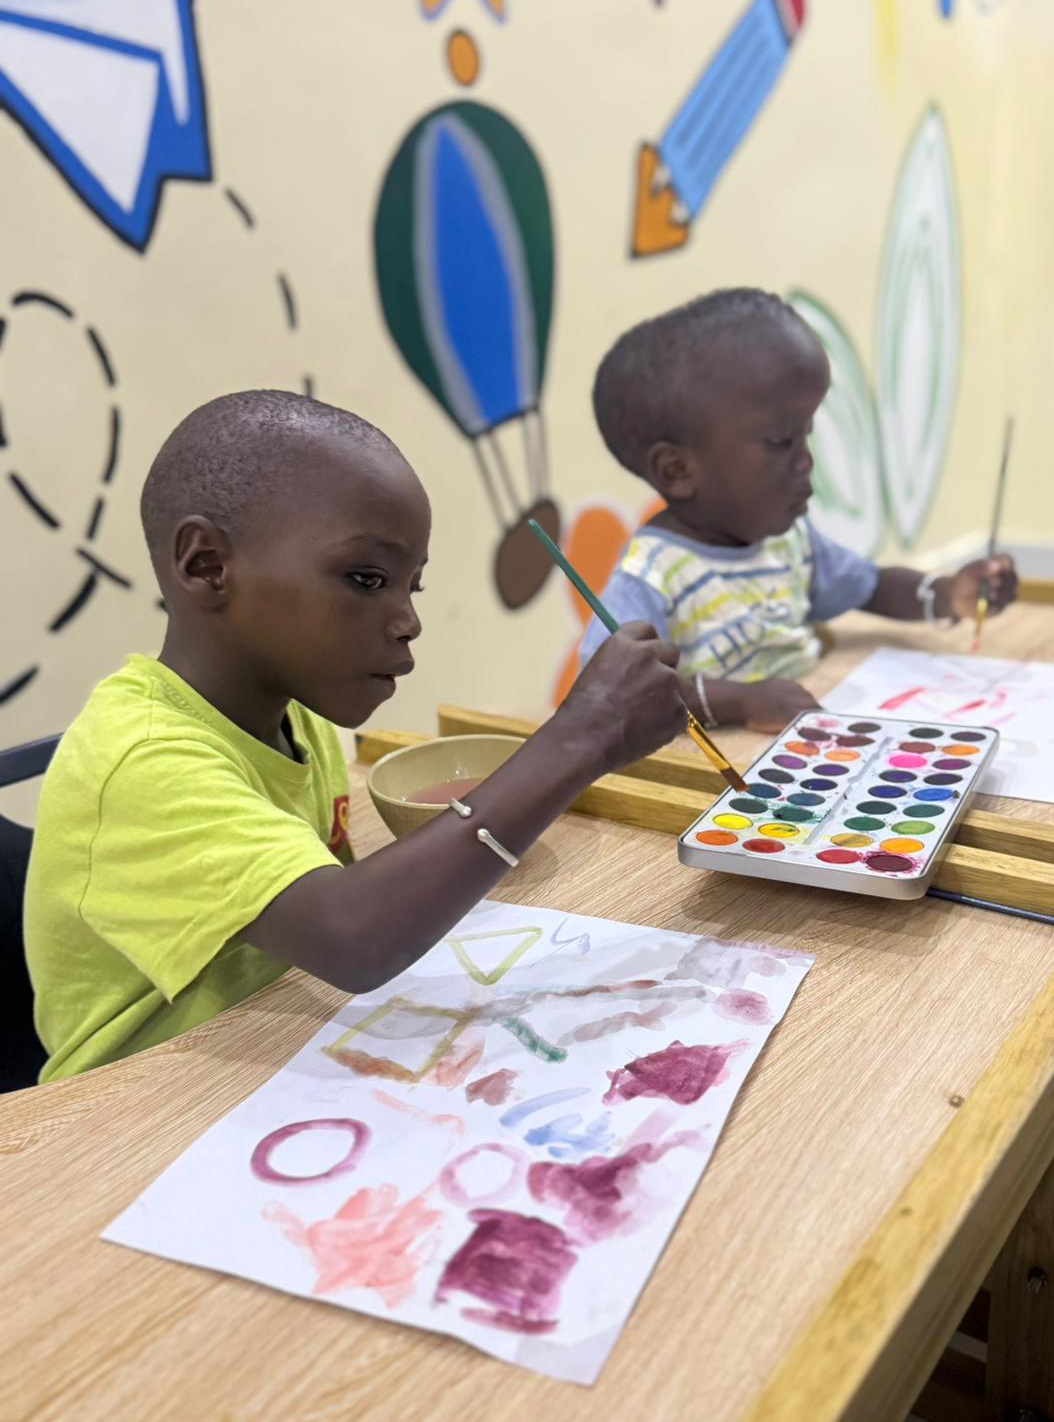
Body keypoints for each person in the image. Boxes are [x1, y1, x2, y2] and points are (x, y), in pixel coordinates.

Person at [26, 390, 687, 1081]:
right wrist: (580, 738)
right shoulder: (140, 759)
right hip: (142, 1117)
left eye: (412, 587)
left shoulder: (294, 712)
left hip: (276, 1057)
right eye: (366, 578)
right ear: (205, 566)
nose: (407, 621)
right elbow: (353, 940)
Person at [580, 288, 1017, 732]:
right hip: (719, 780)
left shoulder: (787, 541)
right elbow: (615, 694)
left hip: (801, 743)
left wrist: (948, 594)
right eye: (780, 442)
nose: (807, 460)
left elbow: (870, 586)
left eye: (806, 434)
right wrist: (743, 702)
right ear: (677, 470)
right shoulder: (652, 578)